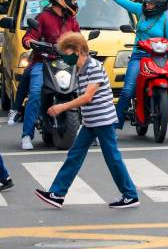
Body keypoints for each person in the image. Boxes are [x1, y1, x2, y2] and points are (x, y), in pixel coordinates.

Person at [34, 32, 139, 210]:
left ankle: (130, 195)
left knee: (112, 158)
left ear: (78, 51)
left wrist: (62, 107)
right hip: (91, 121)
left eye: (66, 54)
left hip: (103, 120)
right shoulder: (81, 69)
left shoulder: (94, 67)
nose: (65, 58)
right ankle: (57, 194)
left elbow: (88, 97)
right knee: (74, 155)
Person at [102, 0, 168, 140]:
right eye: (145, 2)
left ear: (159, 5)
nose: (145, 5)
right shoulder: (140, 11)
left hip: (160, 58)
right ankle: (113, 128)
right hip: (139, 56)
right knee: (128, 90)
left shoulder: (166, 20)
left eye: (149, 3)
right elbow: (122, 2)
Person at [20, 0, 82, 150]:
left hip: (67, 63)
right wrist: (29, 42)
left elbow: (78, 38)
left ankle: (89, 131)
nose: (75, 2)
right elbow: (29, 36)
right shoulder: (43, 17)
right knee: (35, 92)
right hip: (43, 61)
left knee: (86, 88)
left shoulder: (71, 20)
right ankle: (27, 135)